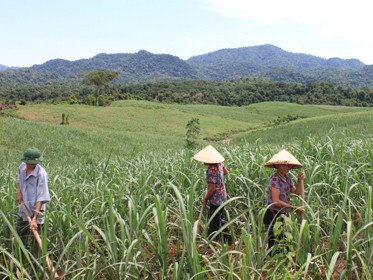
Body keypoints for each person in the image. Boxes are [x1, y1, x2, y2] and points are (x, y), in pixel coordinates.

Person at [263, 149, 305, 254]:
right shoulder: (275, 180)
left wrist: (300, 181)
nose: (287, 168)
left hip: (283, 213)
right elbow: (276, 201)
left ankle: (284, 264)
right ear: (278, 166)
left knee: (285, 240)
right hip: (272, 214)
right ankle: (273, 266)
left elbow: (297, 193)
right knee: (275, 243)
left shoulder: (288, 178)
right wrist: (294, 209)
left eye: (289, 165)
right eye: (284, 165)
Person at [194, 145, 232, 244]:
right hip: (223, 196)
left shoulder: (211, 170)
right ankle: (228, 240)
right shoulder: (220, 164)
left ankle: (213, 242)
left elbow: (212, 189)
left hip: (216, 199)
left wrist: (205, 198)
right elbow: (226, 172)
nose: (203, 161)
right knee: (221, 218)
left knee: (214, 221)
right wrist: (219, 180)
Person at [16, 147, 51, 255]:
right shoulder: (22, 167)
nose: (29, 165)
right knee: (19, 233)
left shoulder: (41, 174)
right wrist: (19, 192)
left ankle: (36, 266)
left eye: (32, 163)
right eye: (28, 163)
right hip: (24, 207)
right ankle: (19, 259)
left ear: (37, 162)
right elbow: (19, 181)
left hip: (37, 209)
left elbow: (41, 198)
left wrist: (34, 219)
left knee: (36, 240)